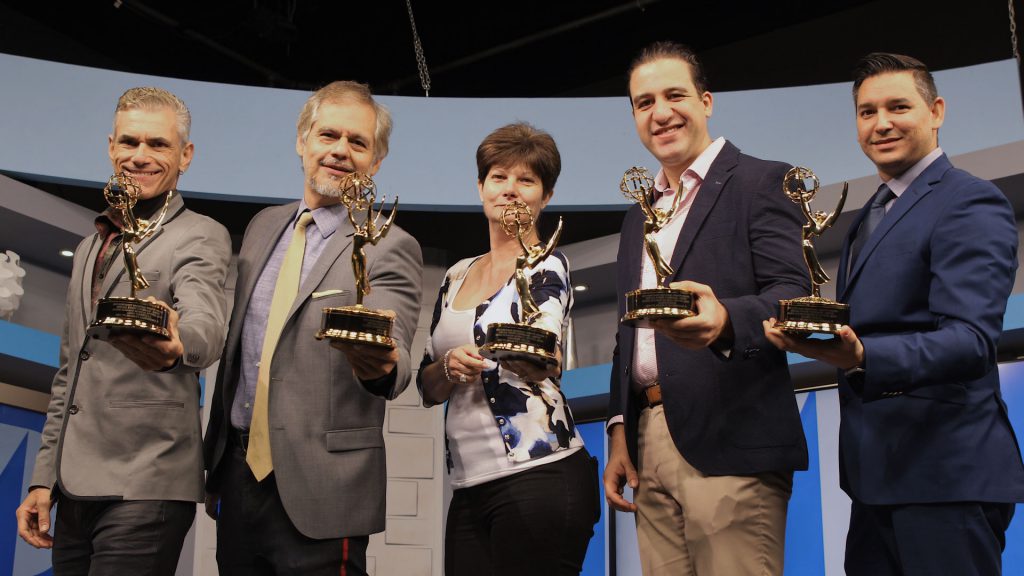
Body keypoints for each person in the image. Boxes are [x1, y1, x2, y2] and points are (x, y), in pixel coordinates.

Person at [764, 52, 1024, 576]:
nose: (881, 123)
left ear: (937, 111)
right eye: (866, 112)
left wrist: (863, 354)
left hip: (946, 476)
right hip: (875, 478)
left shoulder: (969, 201)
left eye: (898, 107)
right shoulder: (872, 215)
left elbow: (971, 340)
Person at [603, 41, 809, 575]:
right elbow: (629, 335)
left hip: (732, 432)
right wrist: (621, 428)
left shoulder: (762, 181)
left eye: (675, 95)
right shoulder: (637, 217)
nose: (661, 112)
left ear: (707, 101)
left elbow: (795, 295)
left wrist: (725, 322)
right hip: (648, 441)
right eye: (644, 102)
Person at [203, 80, 423, 575]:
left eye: (358, 142)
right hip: (239, 478)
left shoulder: (390, 245)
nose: (340, 150)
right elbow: (239, 356)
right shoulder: (263, 227)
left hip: (327, 489)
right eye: (328, 135)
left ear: (377, 161)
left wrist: (381, 362)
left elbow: (397, 357)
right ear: (302, 141)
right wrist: (215, 462)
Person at [15, 86, 232, 574]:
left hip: (147, 481)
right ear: (111, 147)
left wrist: (179, 347)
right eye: (129, 143)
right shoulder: (90, 246)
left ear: (185, 155)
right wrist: (42, 479)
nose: (140, 156)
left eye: (158, 145)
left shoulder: (201, 234)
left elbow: (205, 325)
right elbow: (70, 372)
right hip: (72, 487)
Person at [418, 122, 599, 576]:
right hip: (468, 483)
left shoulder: (548, 265)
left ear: (546, 195)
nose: (510, 190)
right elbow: (427, 385)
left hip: (541, 473)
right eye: (499, 177)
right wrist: (448, 365)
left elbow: (543, 357)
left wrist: (523, 354)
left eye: (526, 180)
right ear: (480, 187)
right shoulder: (455, 275)